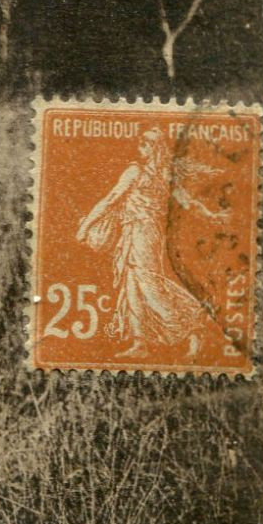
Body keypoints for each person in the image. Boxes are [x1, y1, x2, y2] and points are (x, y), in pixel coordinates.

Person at [75, 126, 229, 359]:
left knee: (148, 284)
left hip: (142, 232)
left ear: (153, 148)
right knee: (132, 285)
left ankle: (193, 325)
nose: (140, 148)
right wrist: (212, 215)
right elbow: (187, 201)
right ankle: (140, 343)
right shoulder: (162, 175)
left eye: (144, 144)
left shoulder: (136, 172)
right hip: (139, 232)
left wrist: (85, 226)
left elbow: (110, 200)